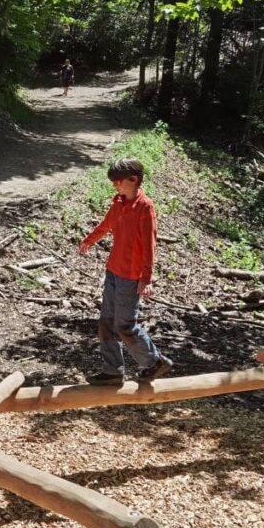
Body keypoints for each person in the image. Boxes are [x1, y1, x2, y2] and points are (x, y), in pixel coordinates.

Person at [78, 158, 172, 386]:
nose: (115, 185)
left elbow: (150, 245)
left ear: (133, 179)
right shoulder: (118, 203)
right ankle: (112, 371)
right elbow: (105, 225)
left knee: (125, 325)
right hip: (113, 271)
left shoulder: (145, 207)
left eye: (118, 181)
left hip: (131, 277)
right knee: (106, 323)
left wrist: (146, 278)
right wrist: (88, 241)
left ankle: (154, 362)